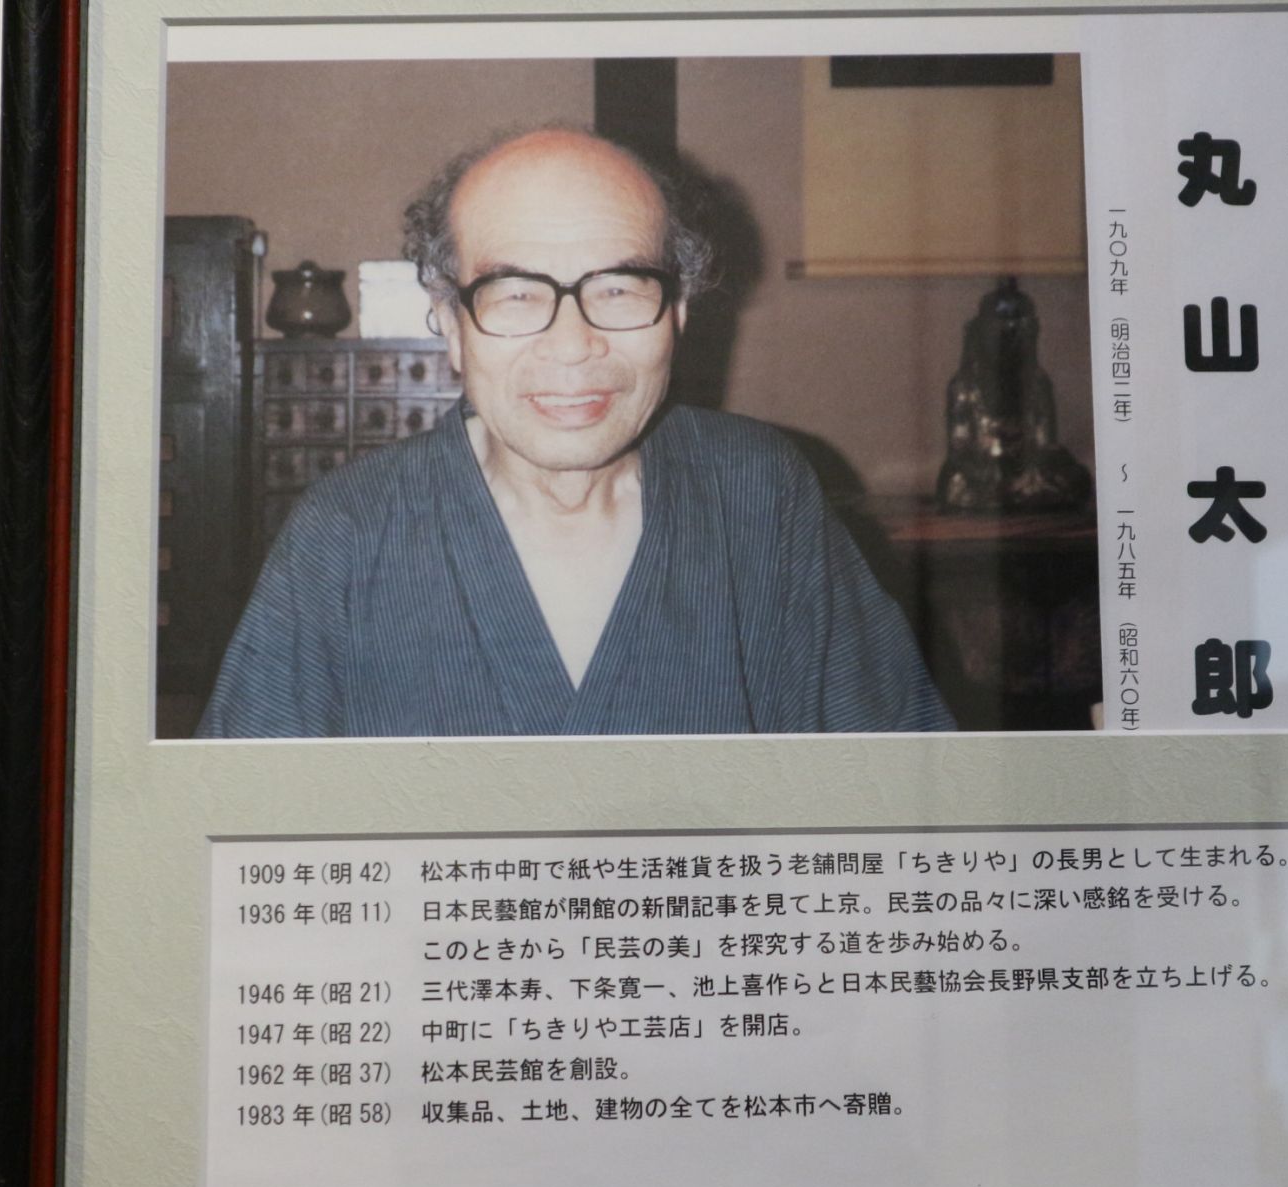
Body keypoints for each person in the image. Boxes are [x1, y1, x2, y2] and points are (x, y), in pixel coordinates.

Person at [196, 127, 951, 737]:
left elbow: (910, 795)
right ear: (451, 323)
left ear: (678, 311)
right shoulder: (347, 530)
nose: (573, 345)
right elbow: (237, 840)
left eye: (619, 288)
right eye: (516, 294)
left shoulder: (762, 493)